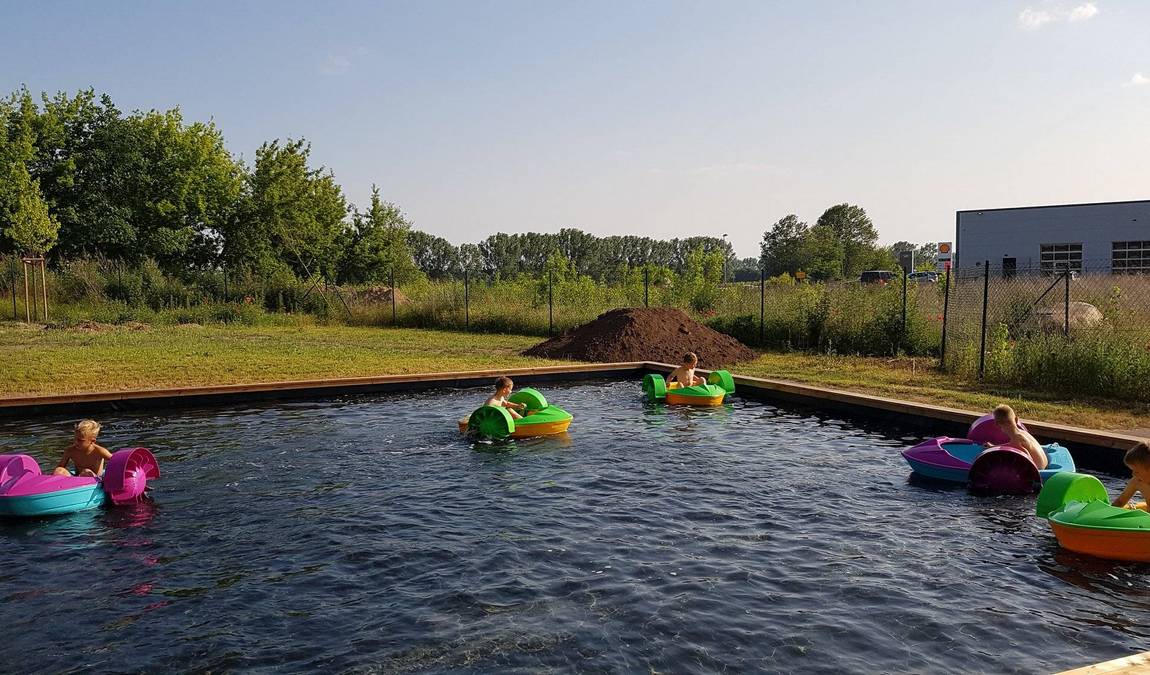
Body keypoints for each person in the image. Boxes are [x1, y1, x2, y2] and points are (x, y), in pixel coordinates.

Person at [985, 404, 1047, 470]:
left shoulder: (1016, 439)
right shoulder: (1023, 433)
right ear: (1017, 419)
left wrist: (992, 447)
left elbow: (1028, 459)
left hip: (1040, 469)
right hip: (1045, 463)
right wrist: (994, 446)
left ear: (997, 424)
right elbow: (1009, 445)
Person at [1112, 442, 1150, 510]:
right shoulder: (1137, 482)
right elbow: (1120, 502)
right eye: (1132, 470)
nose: (1133, 474)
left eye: (1137, 471)